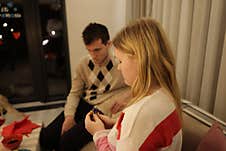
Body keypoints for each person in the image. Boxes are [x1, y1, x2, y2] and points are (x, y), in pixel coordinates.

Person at [85, 18, 182, 151]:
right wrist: (117, 124)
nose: (118, 67)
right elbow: (143, 134)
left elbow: (138, 125)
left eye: (120, 61)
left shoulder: (139, 114)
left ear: (139, 59)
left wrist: (98, 134)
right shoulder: (166, 94)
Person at [39, 23, 131, 151]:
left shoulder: (120, 63)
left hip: (100, 109)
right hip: (84, 103)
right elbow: (74, 93)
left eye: (97, 50)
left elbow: (139, 84)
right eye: (89, 50)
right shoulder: (83, 64)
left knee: (66, 141)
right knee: (46, 137)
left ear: (108, 44)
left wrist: (125, 97)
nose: (93, 55)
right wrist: (69, 116)